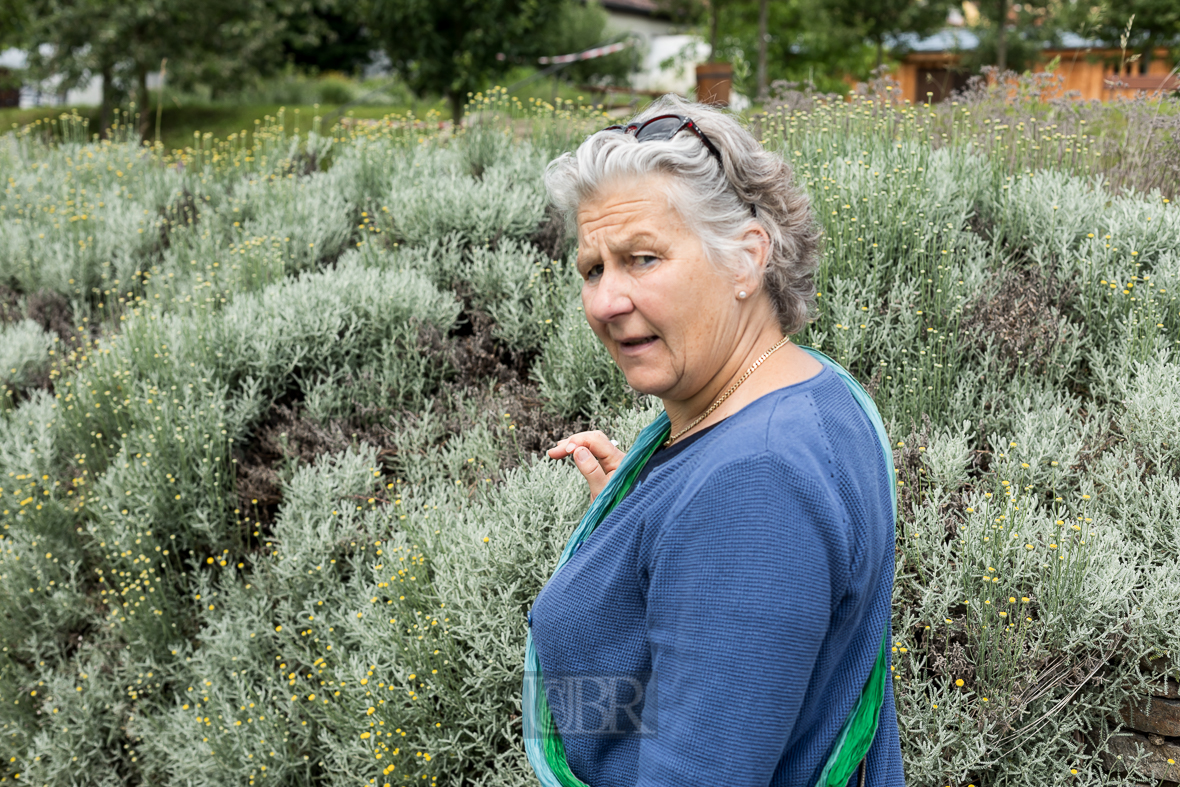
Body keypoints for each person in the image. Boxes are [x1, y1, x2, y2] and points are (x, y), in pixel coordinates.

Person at [522, 95, 904, 787]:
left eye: (642, 258)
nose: (607, 301)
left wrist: (710, 527)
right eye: (592, 268)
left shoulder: (752, 484)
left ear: (746, 259)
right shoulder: (819, 393)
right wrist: (648, 534)